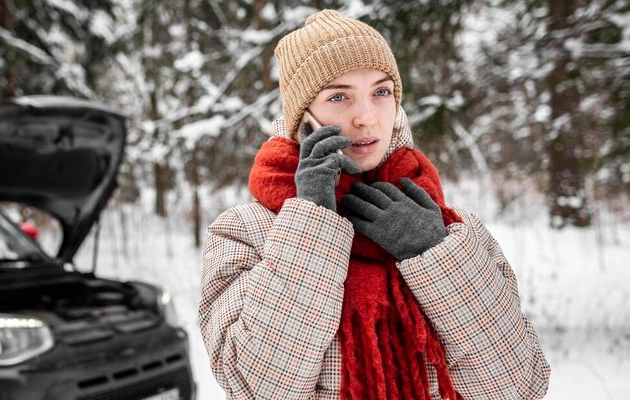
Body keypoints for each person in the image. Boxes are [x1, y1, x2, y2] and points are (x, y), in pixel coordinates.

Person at [198, 9, 551, 400]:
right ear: (303, 118)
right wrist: (311, 221)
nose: (367, 118)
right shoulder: (244, 231)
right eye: (338, 96)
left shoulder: (454, 229)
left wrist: (434, 254)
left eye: (381, 92)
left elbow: (519, 387)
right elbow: (256, 387)